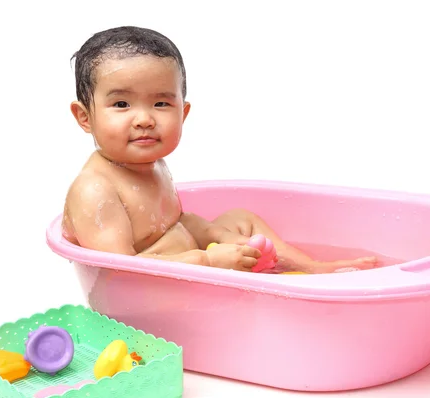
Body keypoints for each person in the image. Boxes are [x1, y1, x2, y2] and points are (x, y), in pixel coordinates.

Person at [62, 26, 380, 274]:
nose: (145, 119)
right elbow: (119, 275)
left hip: (188, 262)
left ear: (183, 114)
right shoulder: (95, 191)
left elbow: (179, 221)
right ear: (85, 118)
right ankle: (255, 285)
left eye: (161, 103)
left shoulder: (153, 165)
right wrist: (210, 261)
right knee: (184, 241)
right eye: (121, 104)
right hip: (145, 298)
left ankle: (312, 269)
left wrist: (221, 236)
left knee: (240, 220)